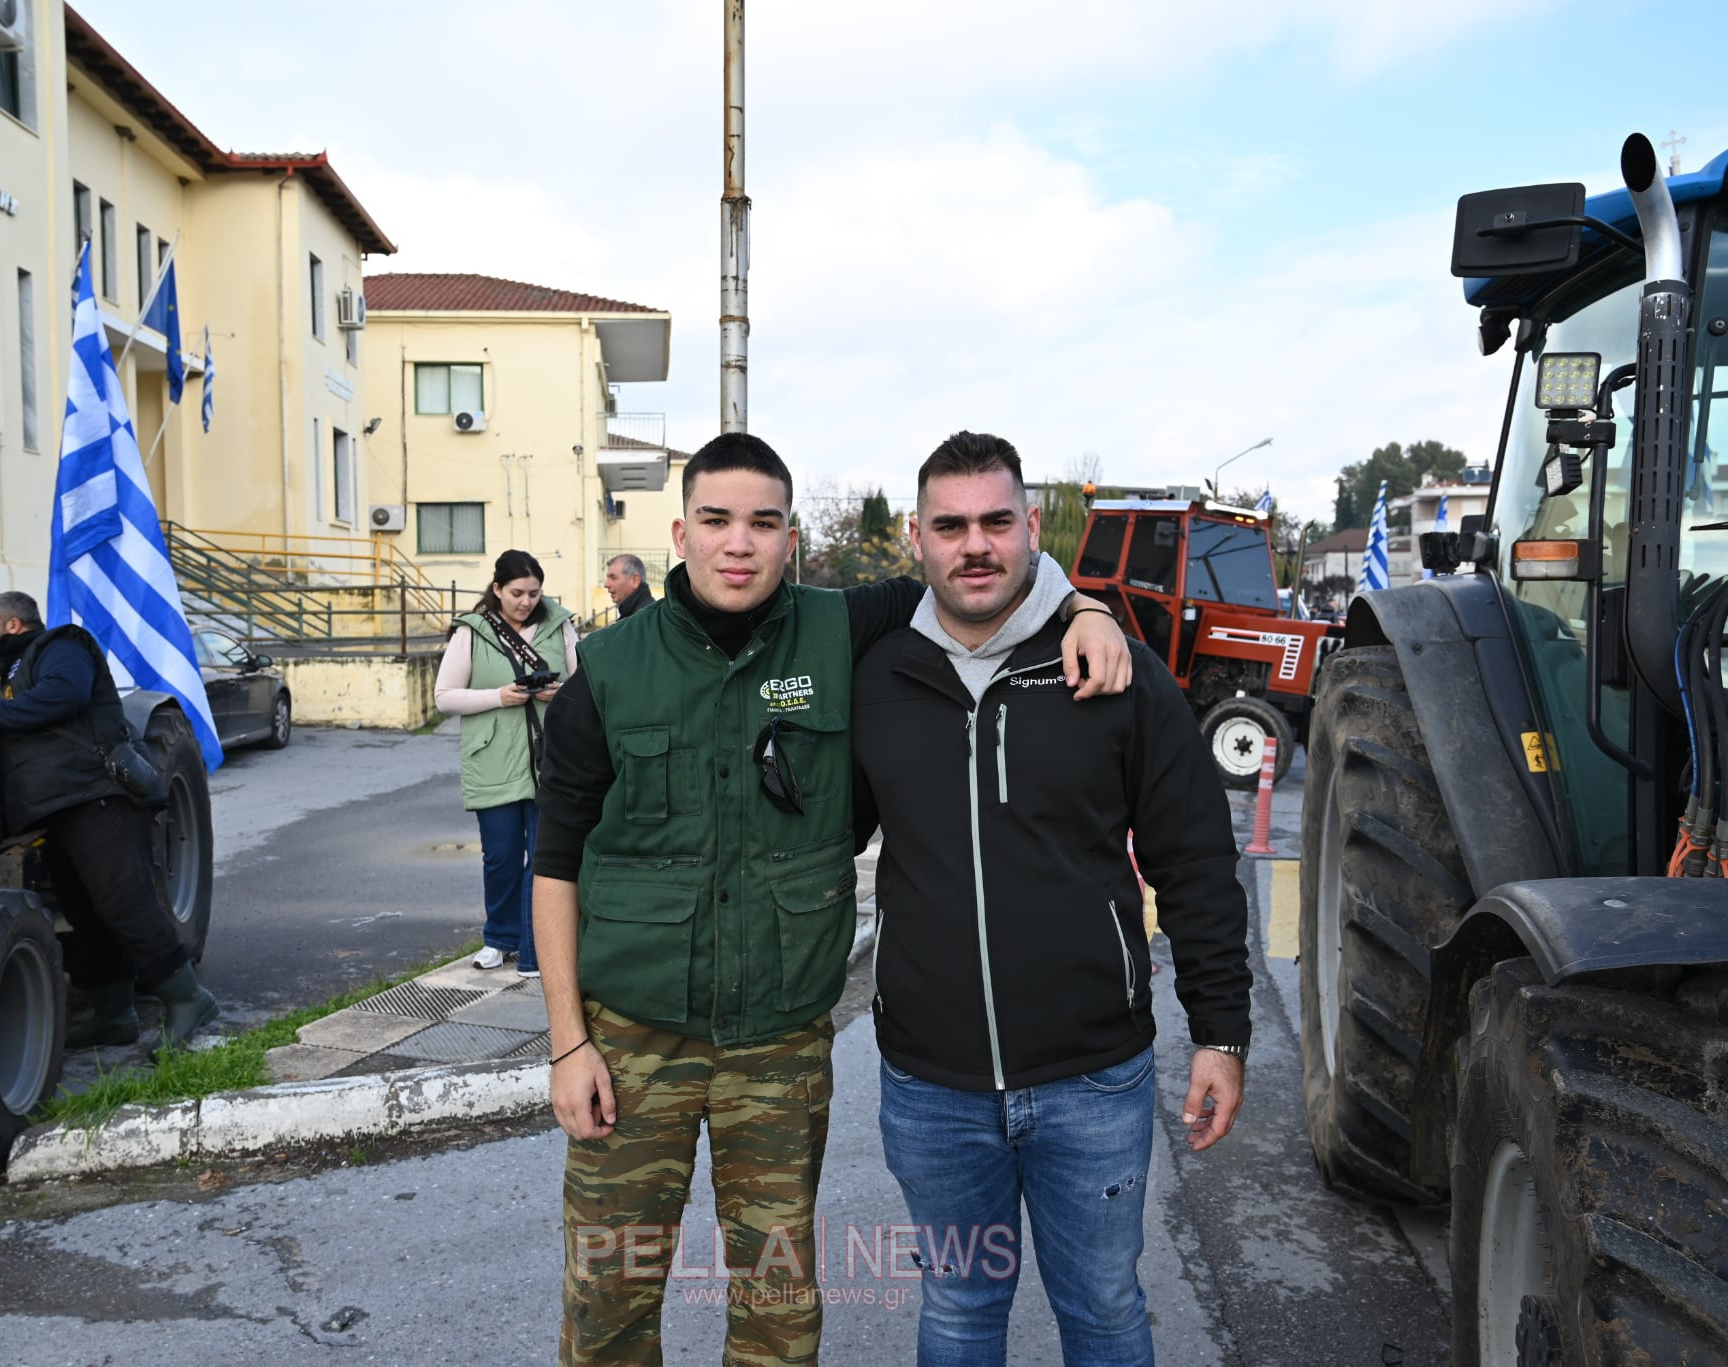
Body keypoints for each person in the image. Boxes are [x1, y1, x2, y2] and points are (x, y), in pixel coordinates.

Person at [532, 431, 1134, 1366]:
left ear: (792, 537)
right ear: (680, 531)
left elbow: (981, 566)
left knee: (778, 1308)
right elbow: (556, 864)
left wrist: (1085, 606)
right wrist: (569, 1042)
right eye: (718, 521)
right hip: (631, 1039)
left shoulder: (844, 625)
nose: (740, 544)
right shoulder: (608, 672)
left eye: (763, 523)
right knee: (609, 1296)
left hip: (778, 1041)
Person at [852, 433, 1253, 1366]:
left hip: (1091, 1081)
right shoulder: (877, 678)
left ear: (1034, 528)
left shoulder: (1115, 672)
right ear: (916, 538)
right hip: (932, 1086)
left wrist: (1220, 1032)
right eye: (950, 526)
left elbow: (1192, 858)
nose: (975, 544)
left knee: (1107, 1310)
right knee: (957, 1310)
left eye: (997, 520)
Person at [0, 591, 218, 1051]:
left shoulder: (61, 645)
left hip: (96, 799)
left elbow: (65, 694)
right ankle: (113, 1013)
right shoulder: (9, 681)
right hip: (56, 810)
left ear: (14, 625)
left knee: (124, 902)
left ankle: (187, 1000)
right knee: (86, 912)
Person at [437, 550, 579, 977]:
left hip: (550, 757)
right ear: (496, 589)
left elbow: (589, 685)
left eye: (534, 593)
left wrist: (562, 694)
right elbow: (444, 697)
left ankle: (536, 952)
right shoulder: (473, 631)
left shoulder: (561, 624)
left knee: (544, 857)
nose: (526, 602)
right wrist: (499, 696)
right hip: (492, 758)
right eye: (517, 593)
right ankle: (499, 938)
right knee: (500, 855)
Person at [603, 553, 653, 619]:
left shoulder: (645, 618)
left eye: (613, 577)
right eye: (608, 578)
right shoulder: (633, 614)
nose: (606, 584)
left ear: (635, 580)